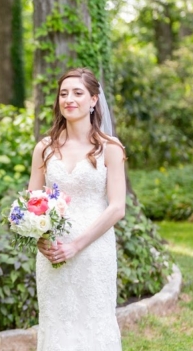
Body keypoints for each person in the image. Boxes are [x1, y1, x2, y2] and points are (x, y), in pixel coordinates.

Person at [27, 68, 126, 350]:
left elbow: (117, 207)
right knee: (57, 322)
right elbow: (32, 201)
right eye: (64, 93)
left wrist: (76, 245)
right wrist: (40, 240)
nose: (69, 99)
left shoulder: (111, 148)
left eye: (78, 93)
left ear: (94, 100)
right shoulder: (44, 149)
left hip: (94, 250)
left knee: (94, 321)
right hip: (53, 252)